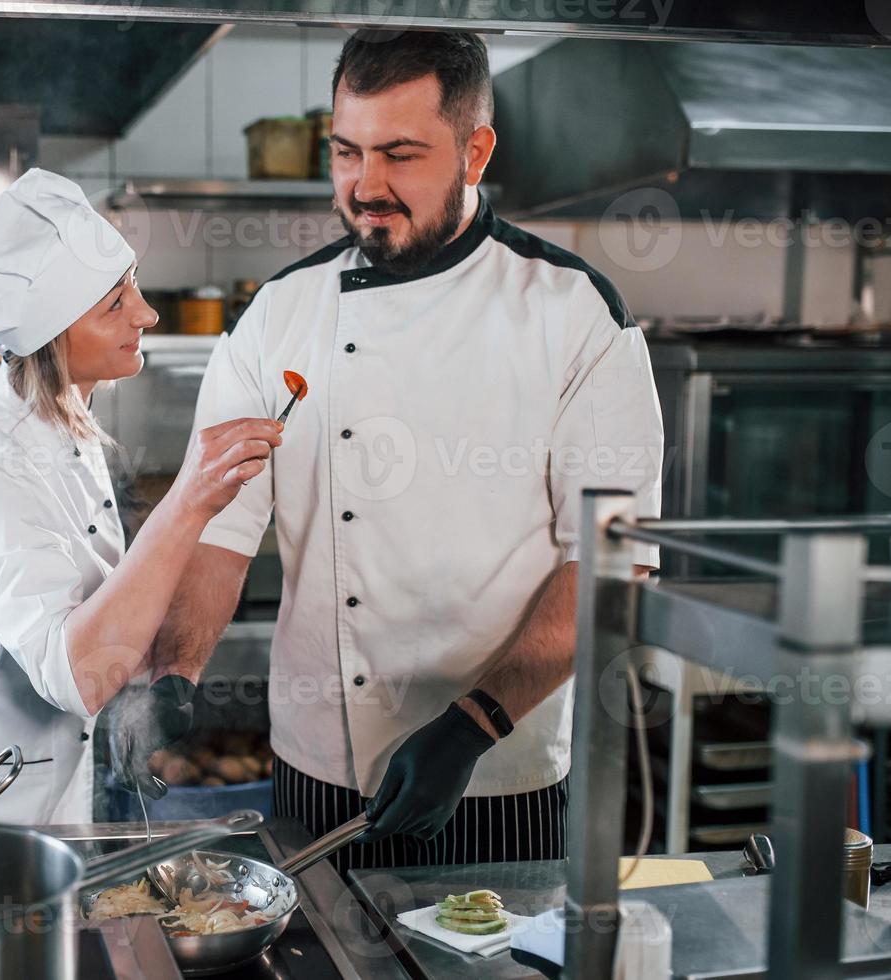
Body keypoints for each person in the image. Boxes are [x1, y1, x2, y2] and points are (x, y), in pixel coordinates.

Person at [138, 31, 663, 873]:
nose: (365, 186)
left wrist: (472, 725)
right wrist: (172, 673)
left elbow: (610, 567)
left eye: (401, 154)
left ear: (476, 150)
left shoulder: (572, 314)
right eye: (346, 152)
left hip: (494, 776)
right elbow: (219, 532)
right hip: (314, 769)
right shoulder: (278, 314)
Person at [0, 169, 283, 824]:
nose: (147, 313)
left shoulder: (61, 414)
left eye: (132, 286)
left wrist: (155, 687)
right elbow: (78, 677)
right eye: (115, 303)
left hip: (42, 799)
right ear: (52, 333)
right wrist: (190, 498)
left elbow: (97, 603)